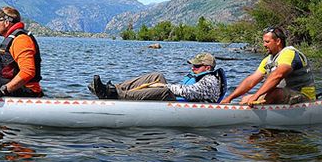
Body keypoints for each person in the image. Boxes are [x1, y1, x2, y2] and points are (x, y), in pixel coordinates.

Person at [220, 26, 315, 106]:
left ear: (278, 41)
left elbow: (278, 75)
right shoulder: (268, 60)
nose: (264, 45)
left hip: (304, 97)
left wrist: (256, 96)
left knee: (273, 93)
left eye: (267, 42)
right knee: (245, 98)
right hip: (285, 95)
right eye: (264, 42)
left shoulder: (289, 53)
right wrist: (229, 98)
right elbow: (251, 81)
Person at [88, 52, 227, 103]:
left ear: (208, 68)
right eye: (193, 65)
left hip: (190, 103)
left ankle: (117, 95)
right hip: (182, 98)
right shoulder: (202, 76)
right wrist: (161, 84)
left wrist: (165, 86)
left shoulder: (210, 80)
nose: (193, 68)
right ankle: (113, 89)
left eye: (197, 66)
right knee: (157, 76)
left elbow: (189, 92)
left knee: (164, 90)